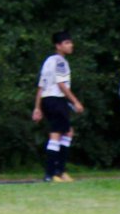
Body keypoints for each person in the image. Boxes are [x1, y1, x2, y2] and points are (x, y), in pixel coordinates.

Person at [32, 31, 83, 183]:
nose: (70, 45)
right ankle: (54, 173)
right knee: (57, 134)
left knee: (67, 132)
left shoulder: (48, 61)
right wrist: (75, 101)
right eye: (67, 43)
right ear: (58, 46)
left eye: (70, 42)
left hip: (47, 100)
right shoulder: (61, 62)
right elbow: (61, 84)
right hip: (56, 100)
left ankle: (57, 172)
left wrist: (37, 107)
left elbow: (41, 87)